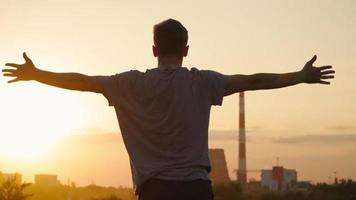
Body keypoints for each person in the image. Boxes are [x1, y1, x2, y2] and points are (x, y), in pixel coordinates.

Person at [2, 19, 334, 200]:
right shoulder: (203, 82)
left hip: (154, 192)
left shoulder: (128, 84)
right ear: (186, 49)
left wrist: (37, 75)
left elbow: (82, 81)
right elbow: (255, 80)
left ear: (153, 49)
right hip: (196, 190)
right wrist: (300, 77)